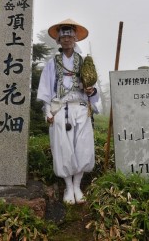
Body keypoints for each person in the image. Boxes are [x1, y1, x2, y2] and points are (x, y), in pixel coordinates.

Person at [37, 19, 99, 204]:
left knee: (82, 147)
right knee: (63, 148)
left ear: (75, 38)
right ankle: (68, 186)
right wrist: (48, 111)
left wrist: (91, 90)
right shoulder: (51, 63)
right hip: (59, 109)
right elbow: (46, 89)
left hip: (80, 107)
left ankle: (78, 185)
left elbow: (93, 87)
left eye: (70, 35)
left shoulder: (84, 62)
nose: (67, 39)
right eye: (63, 36)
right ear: (58, 40)